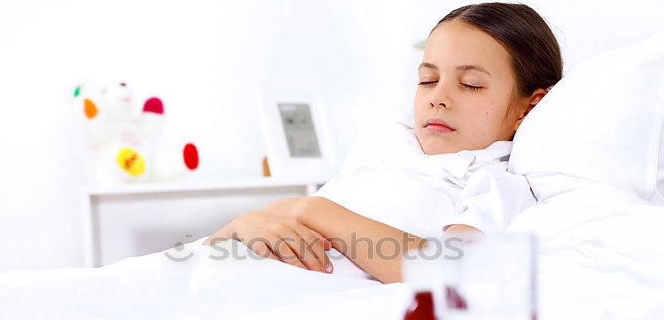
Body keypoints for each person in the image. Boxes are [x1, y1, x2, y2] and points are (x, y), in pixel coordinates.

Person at [206, 2, 563, 284]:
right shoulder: (384, 154)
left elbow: (453, 274)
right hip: (214, 268)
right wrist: (243, 225)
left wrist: (309, 210)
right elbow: (209, 248)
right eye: (427, 79)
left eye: (470, 84)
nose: (438, 97)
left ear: (528, 107)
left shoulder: (495, 184)